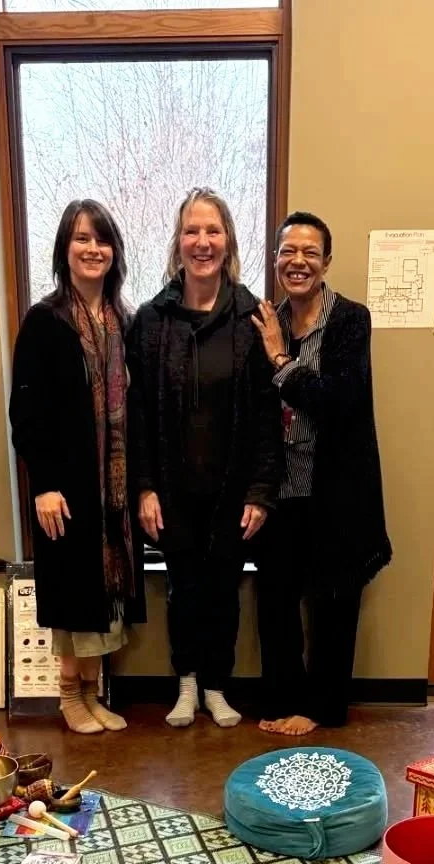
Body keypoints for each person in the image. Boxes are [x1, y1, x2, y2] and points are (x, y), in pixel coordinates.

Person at [127, 187, 281, 728]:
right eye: (192, 231)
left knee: (223, 593)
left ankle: (217, 686)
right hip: (172, 489)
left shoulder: (252, 318)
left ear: (228, 242)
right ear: (178, 242)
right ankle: (187, 685)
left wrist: (261, 491)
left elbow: (267, 415)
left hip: (232, 492)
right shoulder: (152, 320)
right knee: (183, 591)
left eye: (212, 231)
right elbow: (137, 413)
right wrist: (144, 487)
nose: (202, 241)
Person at [251, 211, 391, 735]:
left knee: (334, 601)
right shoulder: (267, 321)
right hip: (279, 485)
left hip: (337, 487)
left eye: (310, 252)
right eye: (288, 251)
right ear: (275, 260)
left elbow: (339, 400)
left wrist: (280, 360)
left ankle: (322, 707)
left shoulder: (351, 320)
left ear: (326, 262)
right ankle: (282, 699)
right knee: (276, 600)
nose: (298, 261)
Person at [9, 199, 142, 735]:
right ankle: (69, 696)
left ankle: (92, 694)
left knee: (104, 598)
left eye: (102, 239)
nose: (93, 249)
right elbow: (26, 412)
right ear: (64, 249)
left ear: (115, 251)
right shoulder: (45, 321)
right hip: (65, 487)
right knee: (73, 598)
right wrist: (43, 484)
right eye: (81, 238)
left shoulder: (122, 321)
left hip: (112, 488)